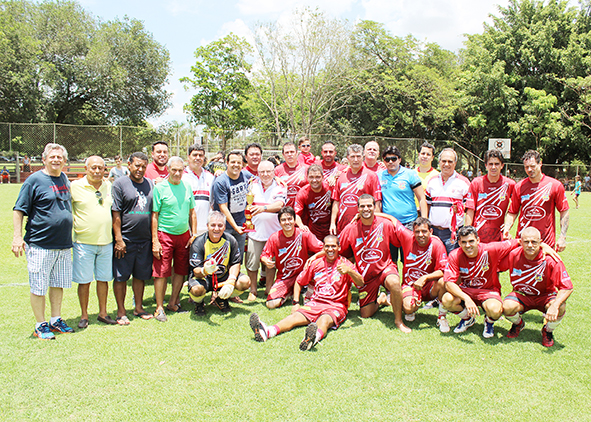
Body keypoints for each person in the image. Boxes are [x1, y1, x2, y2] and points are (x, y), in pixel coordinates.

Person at [249, 235, 364, 350]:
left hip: (336, 305)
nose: (330, 249)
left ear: (339, 248)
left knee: (324, 321)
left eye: (333, 246)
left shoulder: (346, 264)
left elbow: (361, 283)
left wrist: (349, 271)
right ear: (323, 248)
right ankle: (268, 331)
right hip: (315, 303)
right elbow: (299, 282)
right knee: (294, 318)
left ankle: (312, 338)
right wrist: (296, 302)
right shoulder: (316, 263)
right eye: (327, 246)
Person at [12, 143, 74, 340]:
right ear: (44, 158)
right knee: (38, 286)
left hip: (63, 244)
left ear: (64, 160)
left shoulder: (64, 178)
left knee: (57, 284)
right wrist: (16, 237)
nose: (56, 160)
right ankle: (40, 324)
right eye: (52, 157)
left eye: (59, 157)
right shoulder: (34, 180)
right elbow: (19, 209)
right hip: (40, 243)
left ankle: (55, 319)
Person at [339, 194, 410, 332]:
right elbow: (337, 250)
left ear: (374, 207)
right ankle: (382, 299)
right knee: (366, 314)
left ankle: (398, 321)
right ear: (357, 209)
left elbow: (402, 240)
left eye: (369, 206)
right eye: (362, 206)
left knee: (395, 283)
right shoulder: (350, 228)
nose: (366, 209)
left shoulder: (385, 223)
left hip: (385, 268)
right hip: (366, 276)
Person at [441, 225, 522, 338]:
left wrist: (543, 246)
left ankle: (489, 322)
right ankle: (467, 319)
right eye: (464, 242)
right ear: (459, 243)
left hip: (488, 291)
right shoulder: (455, 255)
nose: (468, 245)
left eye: (471, 241)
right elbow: (448, 283)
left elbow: (520, 242)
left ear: (478, 240)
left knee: (495, 310)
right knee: (446, 299)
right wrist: (466, 299)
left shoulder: (491, 249)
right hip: (467, 290)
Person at [502, 227, 573, 347]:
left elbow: (567, 287)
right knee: (506, 306)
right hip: (522, 295)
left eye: (534, 242)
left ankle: (547, 331)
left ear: (540, 243)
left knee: (560, 306)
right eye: (526, 242)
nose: (530, 245)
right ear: (520, 242)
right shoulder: (513, 255)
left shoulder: (551, 259)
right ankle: (518, 324)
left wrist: (555, 305)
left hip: (545, 296)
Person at [378, 217, 450, 331]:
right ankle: (397, 301)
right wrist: (369, 213)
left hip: (429, 287)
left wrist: (425, 278)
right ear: (413, 232)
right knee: (408, 308)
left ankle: (442, 317)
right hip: (410, 285)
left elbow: (443, 271)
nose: (420, 235)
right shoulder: (408, 237)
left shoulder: (437, 244)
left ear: (431, 232)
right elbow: (393, 220)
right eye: (417, 231)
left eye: (424, 231)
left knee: (444, 282)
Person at [71, 156, 116, 327]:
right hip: (83, 242)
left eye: (100, 168)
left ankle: (103, 313)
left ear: (105, 169)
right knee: (84, 281)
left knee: (104, 279)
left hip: (106, 241)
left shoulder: (109, 186)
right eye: (93, 168)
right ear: (86, 168)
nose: (97, 171)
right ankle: (84, 315)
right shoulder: (75, 187)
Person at [152, 156, 197, 322]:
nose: (177, 173)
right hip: (165, 234)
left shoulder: (187, 186)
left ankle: (173, 303)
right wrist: (155, 240)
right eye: (174, 170)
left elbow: (192, 211)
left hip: (184, 235)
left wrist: (194, 233)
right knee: (162, 272)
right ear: (168, 170)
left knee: (180, 270)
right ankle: (159, 308)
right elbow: (154, 215)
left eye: (180, 170)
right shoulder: (160, 188)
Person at [112, 152, 154, 322]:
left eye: (143, 166)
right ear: (128, 164)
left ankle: (138, 308)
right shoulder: (119, 184)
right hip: (126, 240)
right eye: (137, 165)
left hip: (144, 240)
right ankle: (121, 311)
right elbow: (116, 213)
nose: (140, 169)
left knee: (140, 276)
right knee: (121, 277)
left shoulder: (150, 184)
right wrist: (119, 239)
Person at [503, 150, 569, 251]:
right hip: (523, 242)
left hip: (546, 243)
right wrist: (507, 228)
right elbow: (512, 212)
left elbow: (564, 211)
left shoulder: (555, 185)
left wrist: (563, 237)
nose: (530, 169)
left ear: (540, 163)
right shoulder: (519, 187)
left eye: (533, 166)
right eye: (526, 167)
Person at [188, 211, 251, 315]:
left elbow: (235, 263)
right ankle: (199, 303)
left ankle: (221, 298)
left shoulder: (231, 240)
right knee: (197, 289)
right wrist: (204, 270)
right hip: (205, 279)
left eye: (220, 225)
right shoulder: (198, 242)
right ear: (207, 226)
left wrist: (231, 281)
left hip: (223, 277)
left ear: (224, 227)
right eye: (213, 225)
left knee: (245, 282)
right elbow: (195, 271)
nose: (216, 229)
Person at [260, 207, 323, 309]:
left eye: (290, 219)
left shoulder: (304, 233)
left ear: (294, 220)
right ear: (279, 223)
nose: (287, 222)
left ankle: (308, 290)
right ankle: (289, 292)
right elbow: (264, 255)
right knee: (271, 304)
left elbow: (323, 249)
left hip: (304, 275)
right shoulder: (274, 237)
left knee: (319, 263)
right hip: (285, 277)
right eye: (283, 220)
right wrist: (266, 261)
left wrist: (313, 257)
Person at [245, 160, 286, 301]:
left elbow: (280, 205)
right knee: (252, 263)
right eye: (262, 172)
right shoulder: (251, 184)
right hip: (254, 232)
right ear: (258, 173)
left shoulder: (280, 186)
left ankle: (269, 288)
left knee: (270, 263)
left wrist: (263, 209)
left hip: (273, 233)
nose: (265, 174)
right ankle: (253, 290)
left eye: (268, 171)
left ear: (274, 172)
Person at [379, 145, 427, 262]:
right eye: (387, 159)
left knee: (410, 259)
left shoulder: (410, 174)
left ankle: (410, 280)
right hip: (389, 225)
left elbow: (421, 198)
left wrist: (425, 221)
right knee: (391, 260)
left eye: (394, 159)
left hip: (409, 223)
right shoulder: (379, 176)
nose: (391, 162)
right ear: (383, 161)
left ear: (399, 159)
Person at [425, 148, 470, 254]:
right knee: (434, 263)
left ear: (455, 163)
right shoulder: (432, 181)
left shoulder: (464, 182)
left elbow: (469, 209)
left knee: (452, 263)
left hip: (453, 233)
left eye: (450, 161)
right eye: (444, 161)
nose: (446, 164)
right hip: (434, 231)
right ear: (439, 162)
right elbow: (427, 205)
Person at [464, 150, 516, 243]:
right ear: (486, 165)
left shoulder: (510, 184)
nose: (493, 167)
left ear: (502, 165)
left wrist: (508, 225)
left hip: (498, 237)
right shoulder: (476, 183)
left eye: (496, 164)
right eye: (490, 164)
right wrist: (468, 233)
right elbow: (470, 209)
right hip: (478, 235)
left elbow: (515, 209)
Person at [330, 144, 382, 235]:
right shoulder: (341, 176)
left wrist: (376, 224)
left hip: (364, 226)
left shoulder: (371, 176)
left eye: (358, 156)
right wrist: (332, 223)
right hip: (343, 227)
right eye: (352, 156)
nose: (355, 160)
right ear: (348, 158)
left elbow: (377, 202)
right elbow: (336, 202)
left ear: (363, 157)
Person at [212, 150, 249, 263]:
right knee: (223, 258)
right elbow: (223, 208)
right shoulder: (221, 181)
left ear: (242, 164)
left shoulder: (246, 176)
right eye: (233, 162)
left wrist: (276, 178)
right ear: (226, 163)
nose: (236, 165)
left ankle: (236, 280)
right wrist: (235, 227)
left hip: (241, 225)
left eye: (239, 162)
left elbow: (262, 179)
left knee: (238, 259)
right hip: (225, 227)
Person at [295, 164, 333, 242]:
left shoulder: (330, 188)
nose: (314, 180)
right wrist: (301, 226)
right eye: (311, 177)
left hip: (331, 228)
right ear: (307, 178)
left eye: (317, 177)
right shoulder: (303, 192)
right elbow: (296, 214)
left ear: (323, 177)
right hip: (313, 230)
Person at [182, 144, 214, 237]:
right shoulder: (181, 177)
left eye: (200, 155)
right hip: (187, 229)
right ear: (188, 157)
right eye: (195, 155)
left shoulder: (210, 177)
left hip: (206, 229)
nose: (198, 158)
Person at [274, 141, 309, 208]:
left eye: (292, 152)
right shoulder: (277, 170)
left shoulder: (306, 169)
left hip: (302, 210)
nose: (289, 154)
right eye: (287, 152)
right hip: (284, 212)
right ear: (283, 155)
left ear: (296, 153)